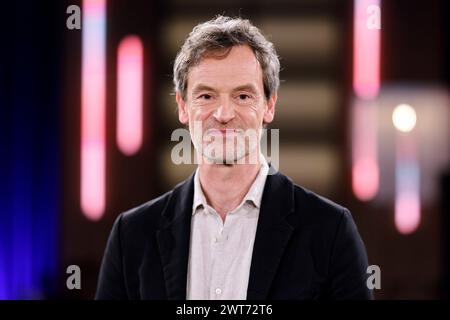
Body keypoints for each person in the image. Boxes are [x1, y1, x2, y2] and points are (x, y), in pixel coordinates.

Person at [96, 15, 373, 300]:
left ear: (269, 105)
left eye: (242, 96)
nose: (224, 115)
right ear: (182, 106)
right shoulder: (131, 236)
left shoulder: (330, 231)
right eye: (206, 96)